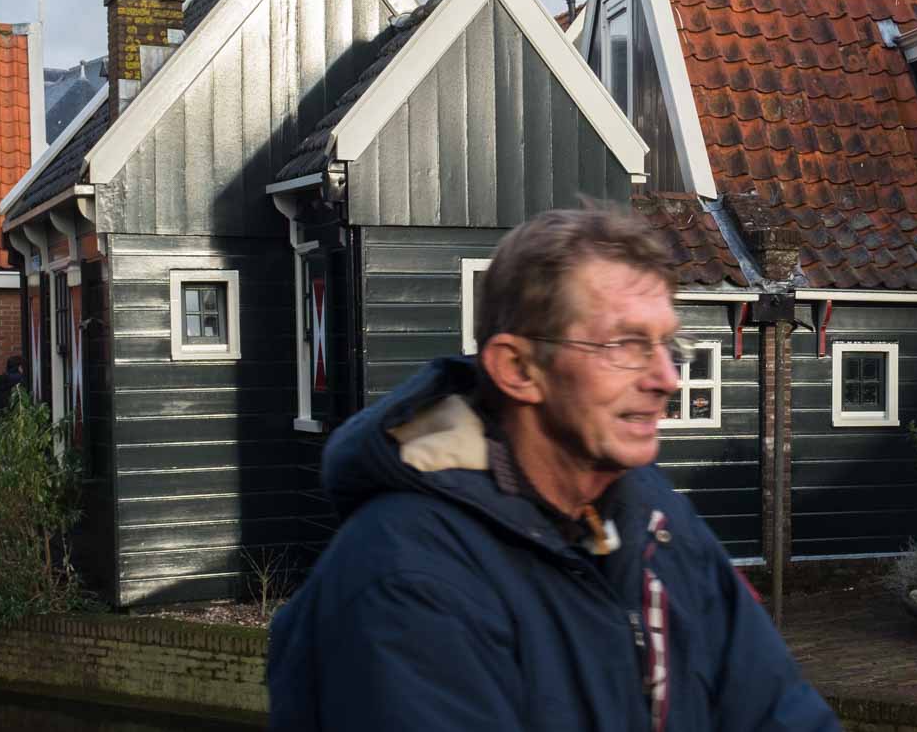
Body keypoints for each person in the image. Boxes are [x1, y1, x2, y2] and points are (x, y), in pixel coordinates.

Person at [268, 208, 837, 731]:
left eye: (667, 344)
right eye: (626, 345)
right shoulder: (404, 582)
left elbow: (781, 712)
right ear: (518, 369)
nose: (668, 379)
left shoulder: (659, 523)